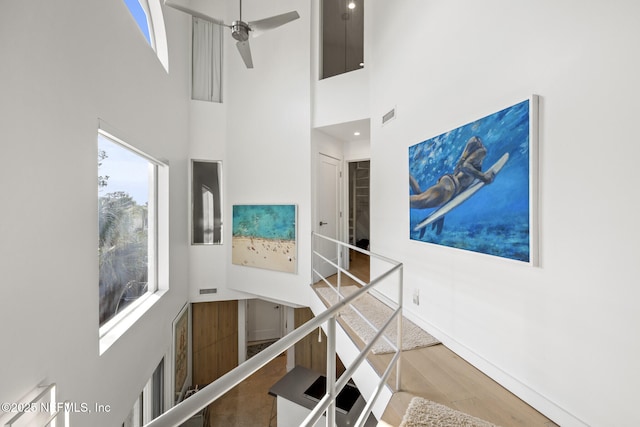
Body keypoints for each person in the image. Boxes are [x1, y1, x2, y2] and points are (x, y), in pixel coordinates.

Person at [410, 136, 495, 210]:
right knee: (418, 201)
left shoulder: (466, 158)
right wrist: (484, 177)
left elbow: (463, 168)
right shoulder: (482, 151)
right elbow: (465, 166)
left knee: (419, 196)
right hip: (450, 187)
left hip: (449, 185)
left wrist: (442, 206)